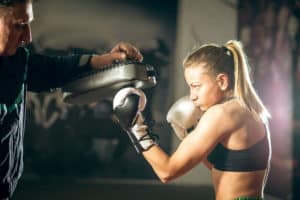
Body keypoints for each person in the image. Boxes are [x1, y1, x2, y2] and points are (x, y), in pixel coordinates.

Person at [0, 0, 143, 199]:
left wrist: (106, 59)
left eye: (28, 24)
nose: (28, 37)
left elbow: (55, 69)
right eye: (18, 25)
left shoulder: (17, 61)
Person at [113, 40, 272, 200]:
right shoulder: (249, 109)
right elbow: (227, 170)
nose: (192, 96)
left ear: (222, 81)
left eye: (196, 86)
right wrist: (190, 135)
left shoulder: (221, 113)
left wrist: (135, 127)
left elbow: (167, 172)